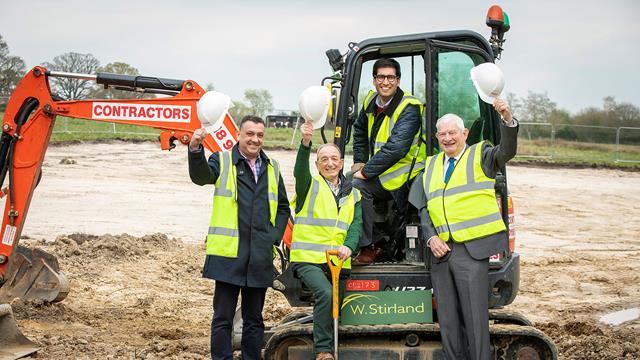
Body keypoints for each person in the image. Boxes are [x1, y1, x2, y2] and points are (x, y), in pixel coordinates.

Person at [409, 99, 517, 360]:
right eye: (442, 134)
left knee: (474, 318)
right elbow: (423, 208)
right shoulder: (432, 164)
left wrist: (507, 119)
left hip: (471, 251)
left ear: (464, 134)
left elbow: (507, 151)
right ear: (436, 137)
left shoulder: (481, 155)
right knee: (447, 320)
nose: (447, 138)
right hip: (441, 251)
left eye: (452, 133)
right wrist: (431, 237)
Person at [188, 115, 290, 360]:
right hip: (228, 254)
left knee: (254, 320)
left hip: (258, 256)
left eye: (260, 135)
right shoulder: (222, 160)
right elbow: (201, 177)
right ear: (238, 135)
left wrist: (272, 237)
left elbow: (284, 207)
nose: (255, 139)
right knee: (222, 318)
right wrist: (195, 149)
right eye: (250, 134)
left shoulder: (272, 167)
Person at [290, 121, 362, 360]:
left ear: (341, 163)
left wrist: (348, 247)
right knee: (325, 294)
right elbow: (299, 170)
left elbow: (355, 226)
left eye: (334, 159)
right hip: (308, 259)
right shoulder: (309, 186)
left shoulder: (353, 193)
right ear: (317, 164)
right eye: (324, 159)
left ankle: (331, 342)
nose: (330, 163)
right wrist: (305, 143)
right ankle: (323, 351)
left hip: (338, 260)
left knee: (336, 304)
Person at [351, 58, 426, 264]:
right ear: (374, 80)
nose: (386, 82)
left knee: (357, 185)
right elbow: (358, 131)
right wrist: (360, 161)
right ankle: (362, 240)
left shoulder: (409, 107)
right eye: (381, 77)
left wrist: (365, 172)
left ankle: (370, 246)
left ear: (398, 80)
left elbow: (397, 148)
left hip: (405, 172)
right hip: (383, 170)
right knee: (345, 182)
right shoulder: (370, 102)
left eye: (390, 77)